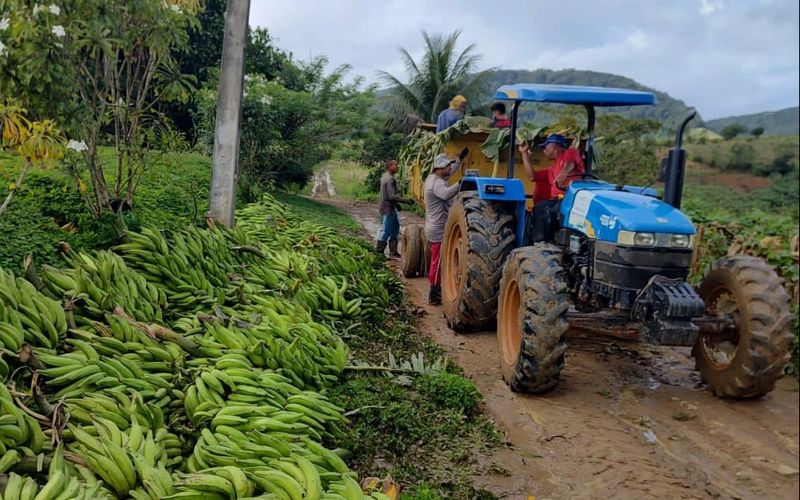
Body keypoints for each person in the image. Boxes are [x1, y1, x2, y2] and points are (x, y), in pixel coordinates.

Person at [518, 133, 585, 243]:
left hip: (572, 199)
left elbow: (569, 163)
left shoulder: (570, 153)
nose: (544, 151)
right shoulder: (552, 169)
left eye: (545, 147)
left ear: (554, 146)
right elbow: (532, 176)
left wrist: (564, 172)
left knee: (542, 208)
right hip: (558, 201)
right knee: (539, 209)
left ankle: (541, 242)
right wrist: (524, 153)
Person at [424, 151, 466, 305]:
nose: (450, 167)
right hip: (438, 228)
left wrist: (459, 159)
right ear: (439, 168)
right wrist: (461, 182)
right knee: (438, 261)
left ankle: (436, 290)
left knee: (438, 259)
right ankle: (433, 294)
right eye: (447, 165)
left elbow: (451, 172)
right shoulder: (436, 183)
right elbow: (445, 194)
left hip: (435, 225)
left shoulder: (436, 177)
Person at [376, 159, 409, 257]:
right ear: (390, 166)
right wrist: (406, 200)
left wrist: (397, 205)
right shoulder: (390, 179)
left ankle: (393, 251)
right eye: (395, 165)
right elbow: (391, 196)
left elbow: (388, 195)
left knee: (395, 229)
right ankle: (379, 252)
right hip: (387, 208)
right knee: (385, 230)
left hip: (389, 207)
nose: (397, 166)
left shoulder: (385, 176)